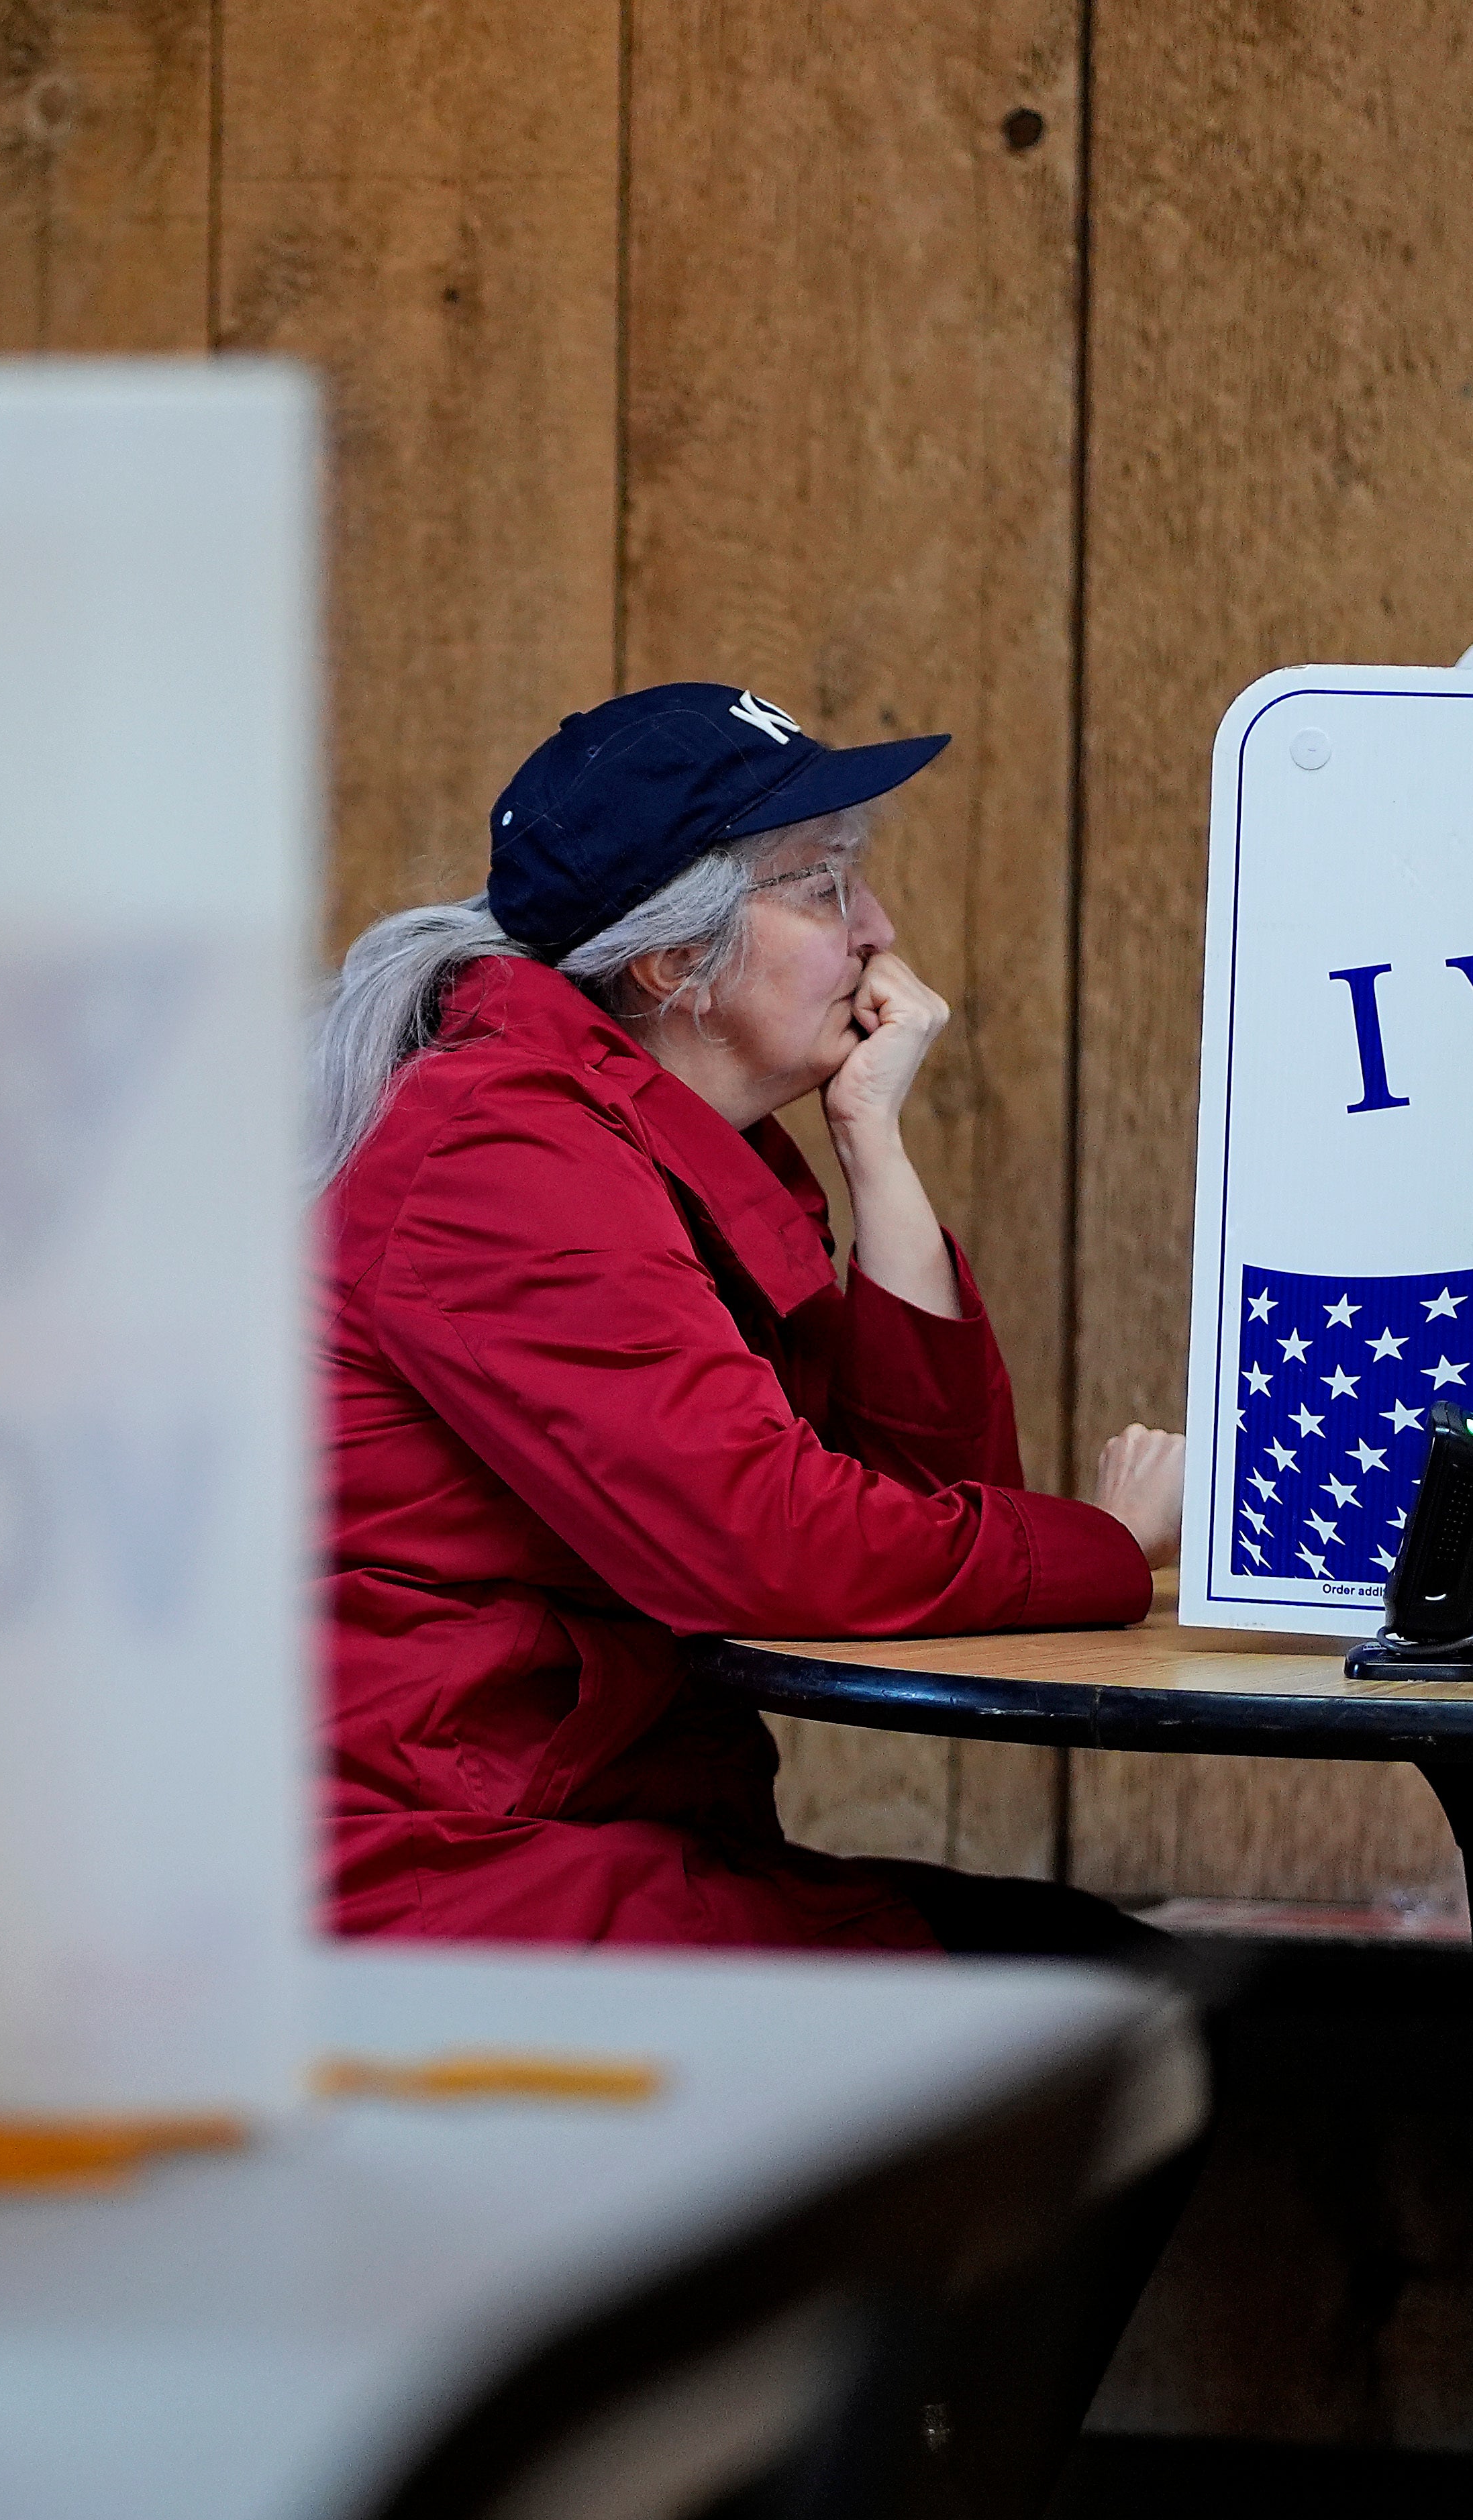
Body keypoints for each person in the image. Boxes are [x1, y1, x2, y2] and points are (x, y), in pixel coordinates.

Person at [317, 682, 1187, 1955]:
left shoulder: (639, 1143)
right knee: (1096, 1998)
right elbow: (768, 1544)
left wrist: (871, 1145)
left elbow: (924, 1495)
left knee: (1099, 1987)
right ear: (675, 960)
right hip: (438, 1883)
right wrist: (1106, 1542)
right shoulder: (498, 1150)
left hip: (573, 1832)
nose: (880, 932)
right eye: (824, 887)